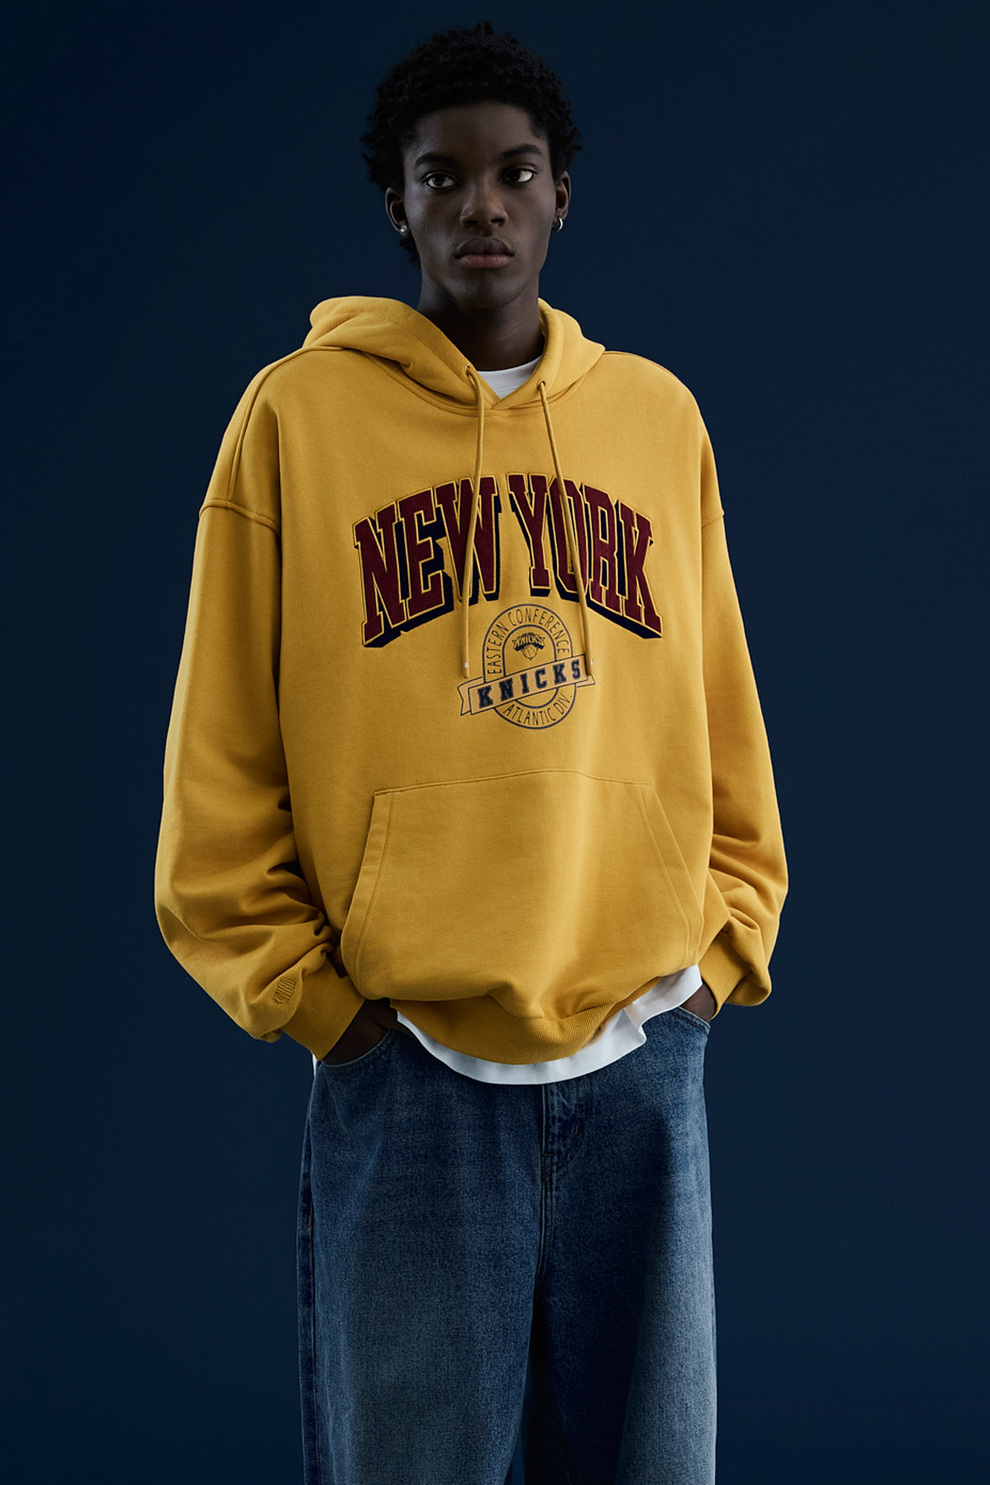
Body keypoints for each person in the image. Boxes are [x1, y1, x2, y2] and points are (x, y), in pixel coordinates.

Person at [155, 20, 787, 1485]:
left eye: (515, 171)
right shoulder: (295, 418)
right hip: (412, 1068)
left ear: (563, 192)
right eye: (443, 177)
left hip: (639, 1050)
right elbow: (219, 754)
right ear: (397, 203)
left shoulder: (654, 419)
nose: (482, 205)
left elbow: (722, 710)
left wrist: (720, 947)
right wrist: (324, 1007)